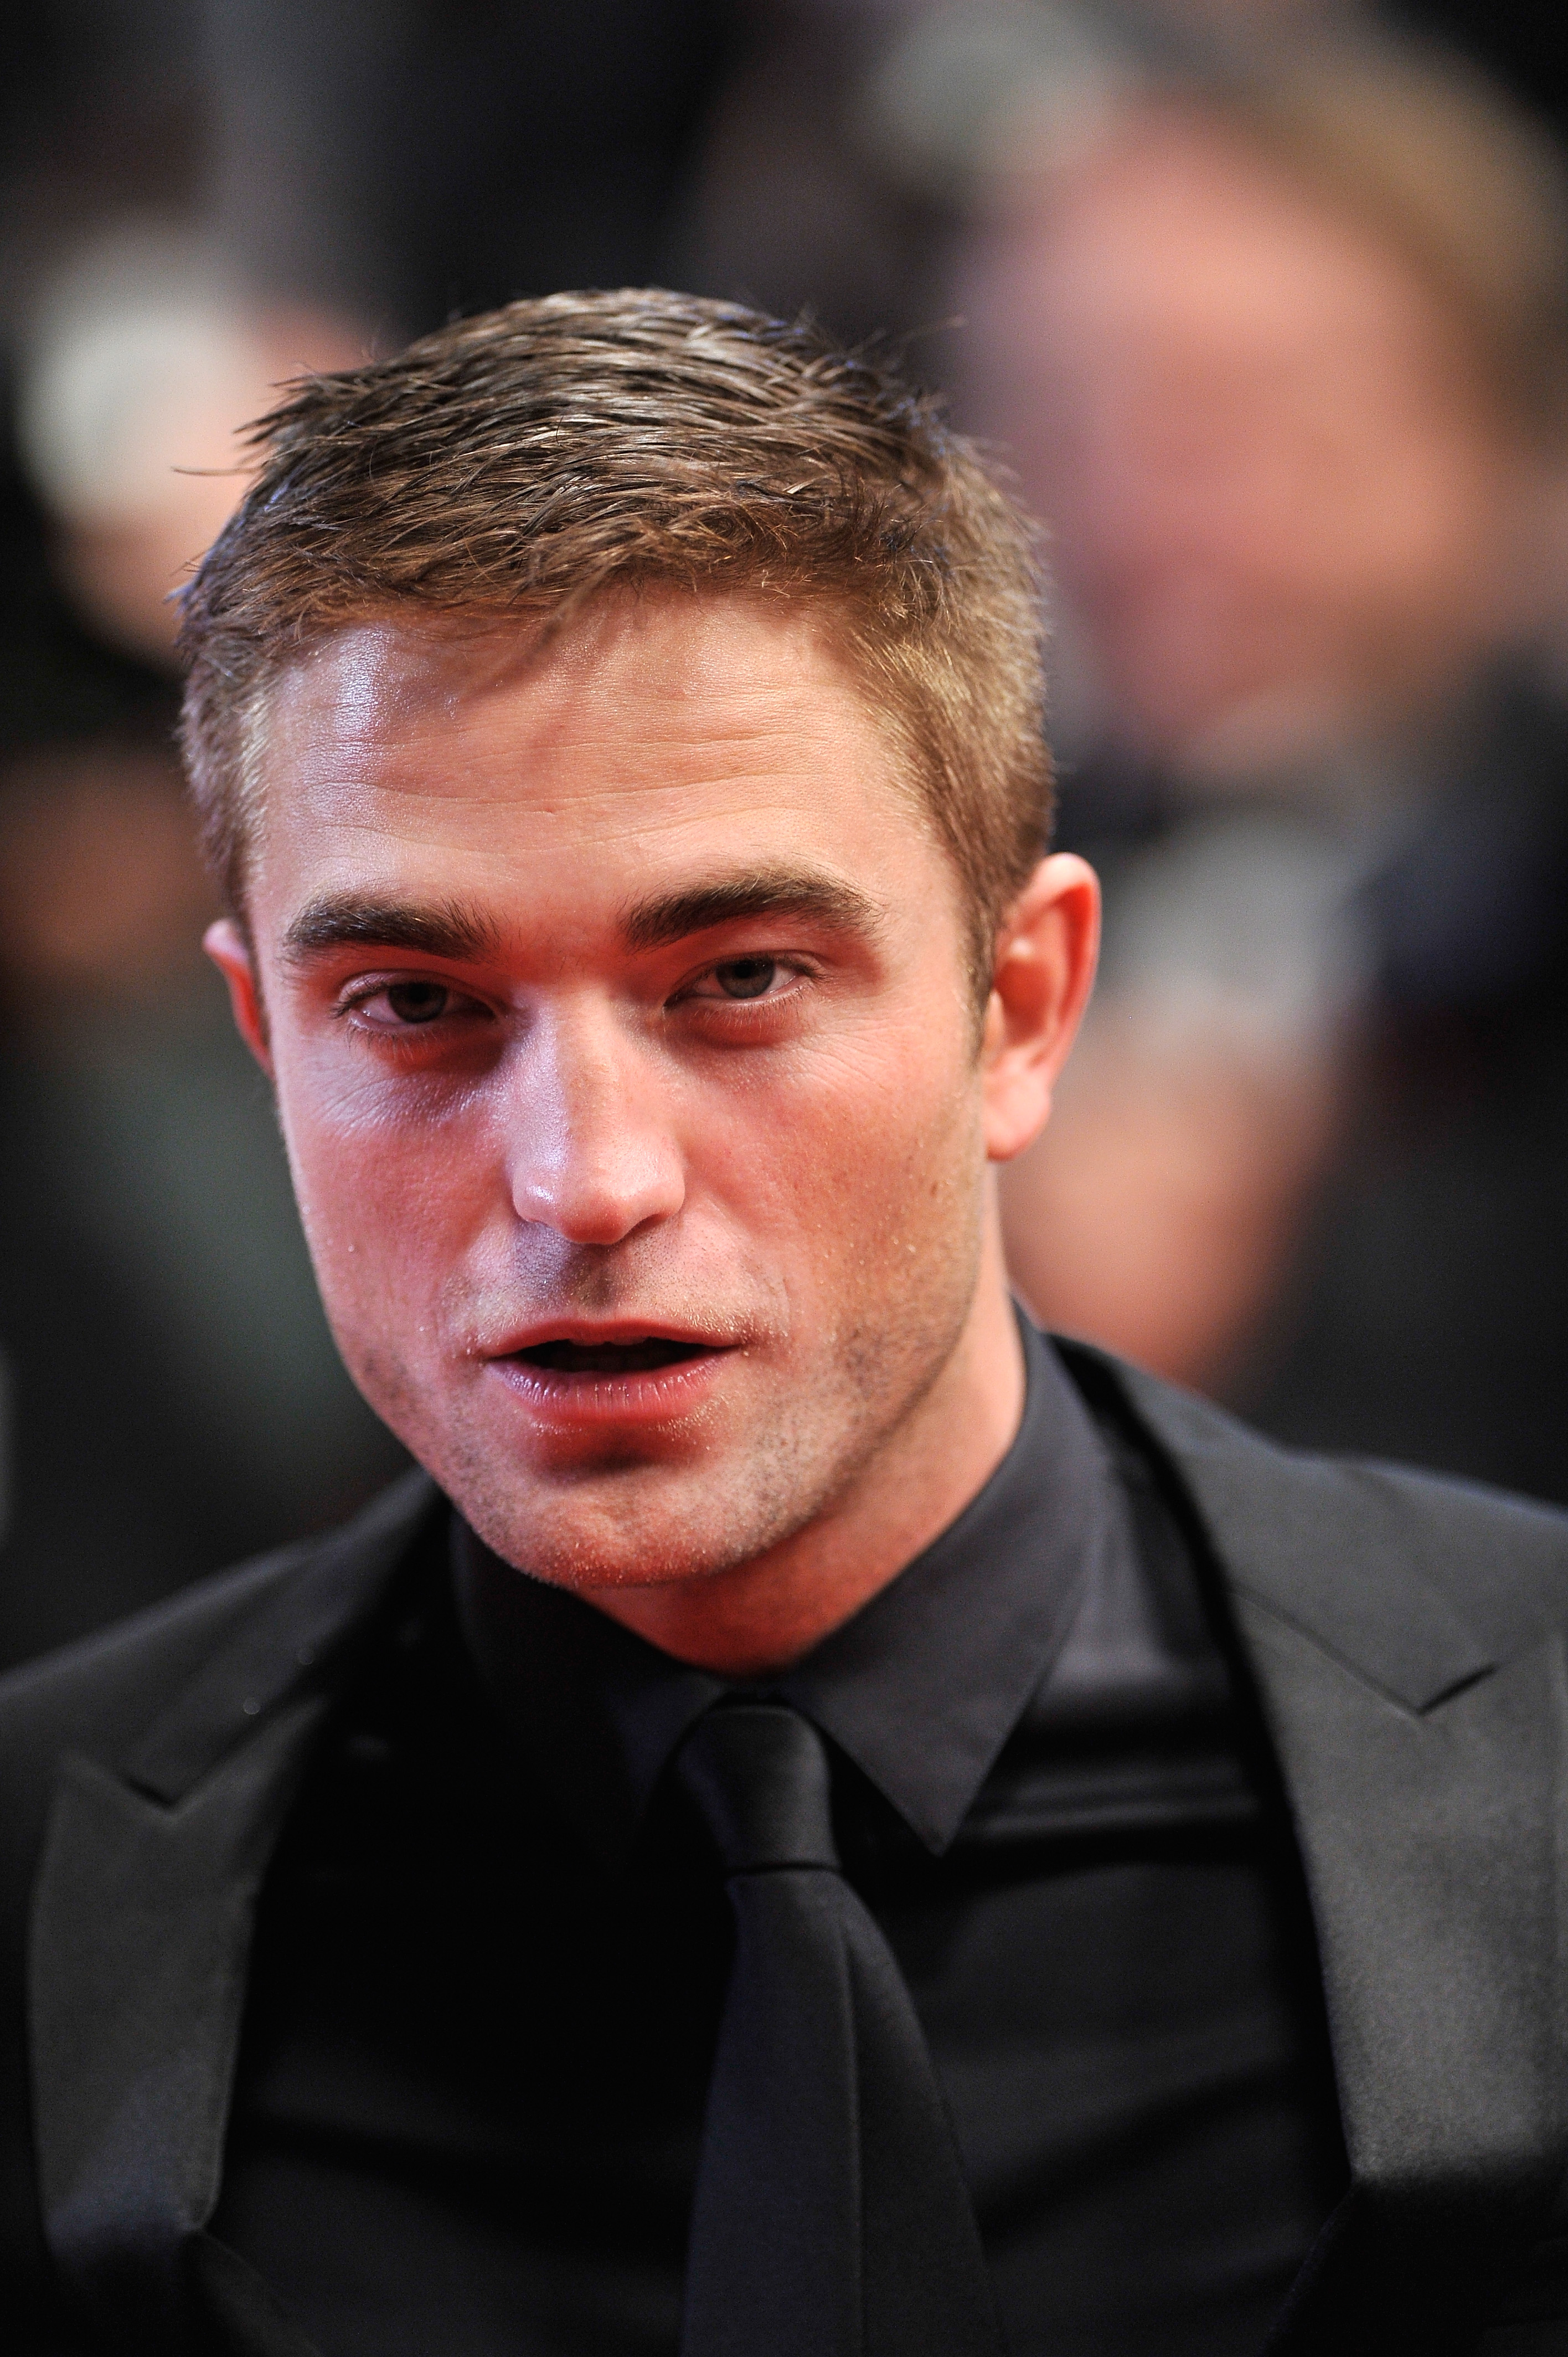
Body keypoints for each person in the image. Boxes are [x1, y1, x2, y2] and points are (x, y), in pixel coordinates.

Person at [0, 290, 1565, 2357]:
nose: (585, 1179)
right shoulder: (40, 1885)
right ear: (265, 1044)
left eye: (738, 979)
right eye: (415, 1005)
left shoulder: (1539, 1762)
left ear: (1021, 1009)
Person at [952, 39, 1568, 1497]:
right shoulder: (937, 868)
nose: (1147, 500)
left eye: (1279, 415)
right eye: (1069, 411)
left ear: (1504, 452)